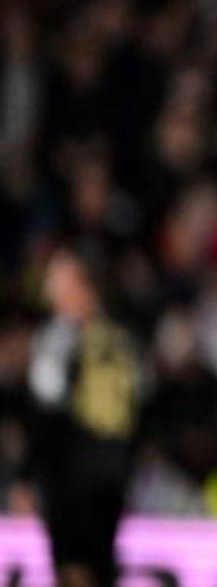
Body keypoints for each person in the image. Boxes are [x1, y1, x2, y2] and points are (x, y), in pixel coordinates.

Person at [27, 245, 143, 587]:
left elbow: (47, 406)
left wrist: (31, 473)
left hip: (72, 473)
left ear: (81, 285)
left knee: (75, 569)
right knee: (101, 564)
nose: (50, 286)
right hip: (114, 470)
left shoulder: (60, 337)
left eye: (58, 278)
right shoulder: (123, 336)